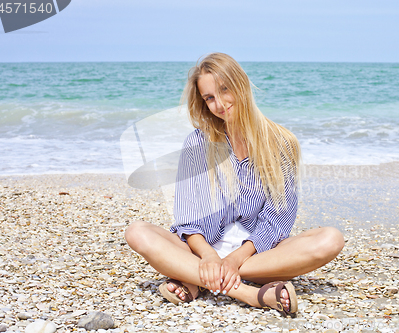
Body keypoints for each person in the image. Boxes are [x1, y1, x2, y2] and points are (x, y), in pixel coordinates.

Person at [125, 53, 344, 317]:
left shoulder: (282, 143)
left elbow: (277, 220)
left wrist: (234, 259)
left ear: (241, 84)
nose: (219, 104)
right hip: (201, 250)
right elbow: (188, 218)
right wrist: (209, 257)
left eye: (224, 90)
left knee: (331, 239)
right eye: (209, 98)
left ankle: (194, 278)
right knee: (137, 232)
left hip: (257, 256)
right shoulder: (197, 143)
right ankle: (249, 294)